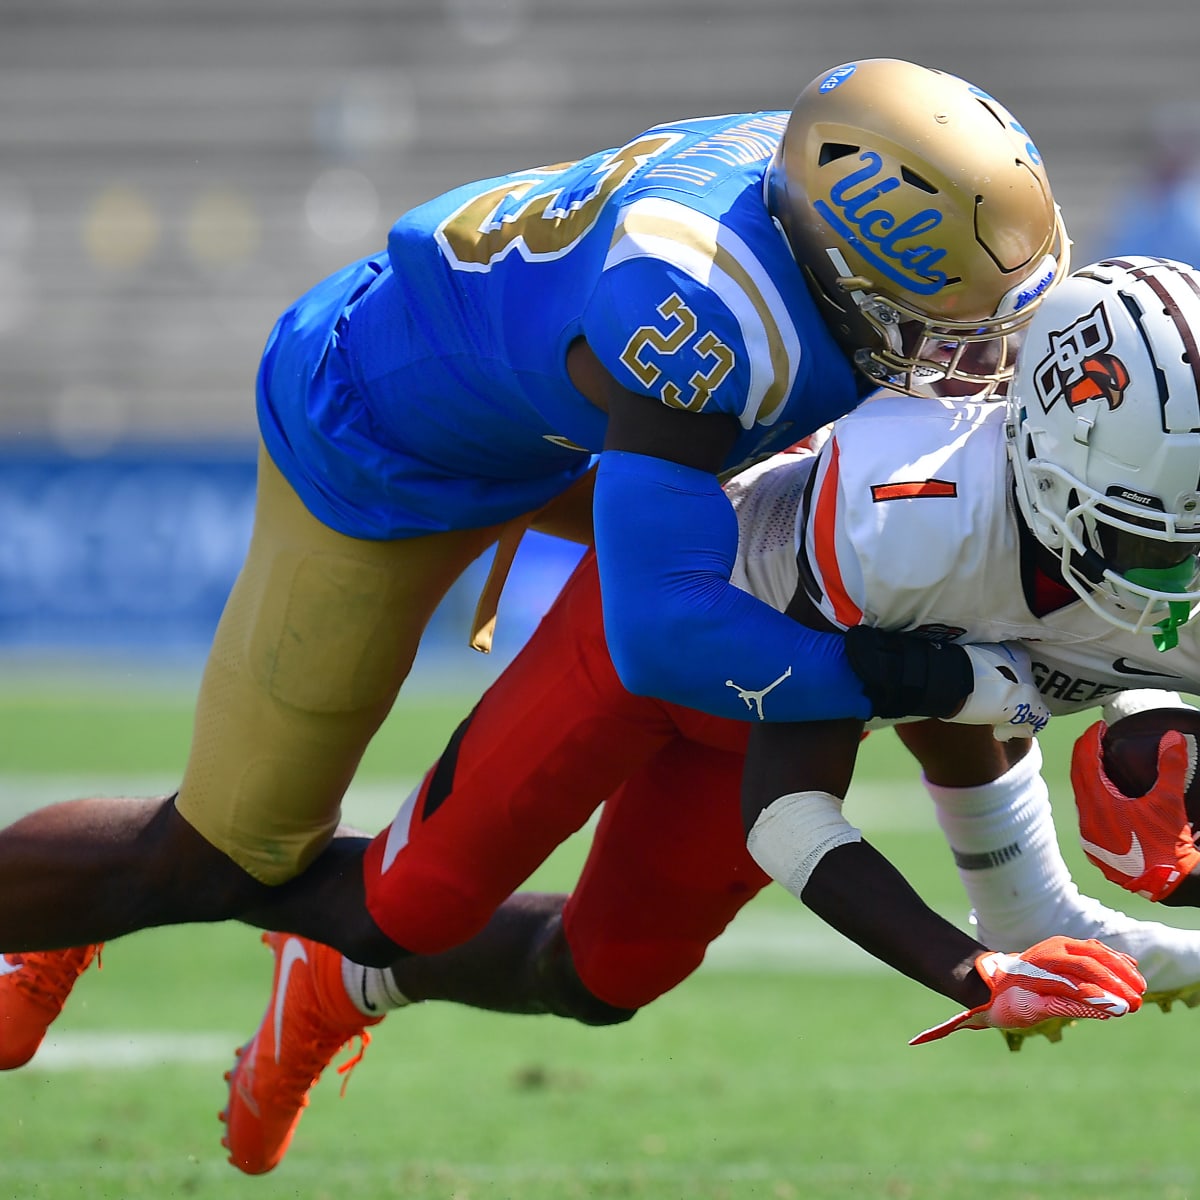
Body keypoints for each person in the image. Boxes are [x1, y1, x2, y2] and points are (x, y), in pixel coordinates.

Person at [10, 255, 1195, 1174]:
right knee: (399, 905)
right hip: (676, 638)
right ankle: (118, 894)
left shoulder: (1139, 555)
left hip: (828, 683)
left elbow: (1003, 685)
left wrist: (1136, 828)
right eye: (1146, 530)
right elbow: (789, 806)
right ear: (1046, 455)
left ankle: (333, 984)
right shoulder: (912, 514)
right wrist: (971, 966)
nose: (1167, 578)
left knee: (603, 978)